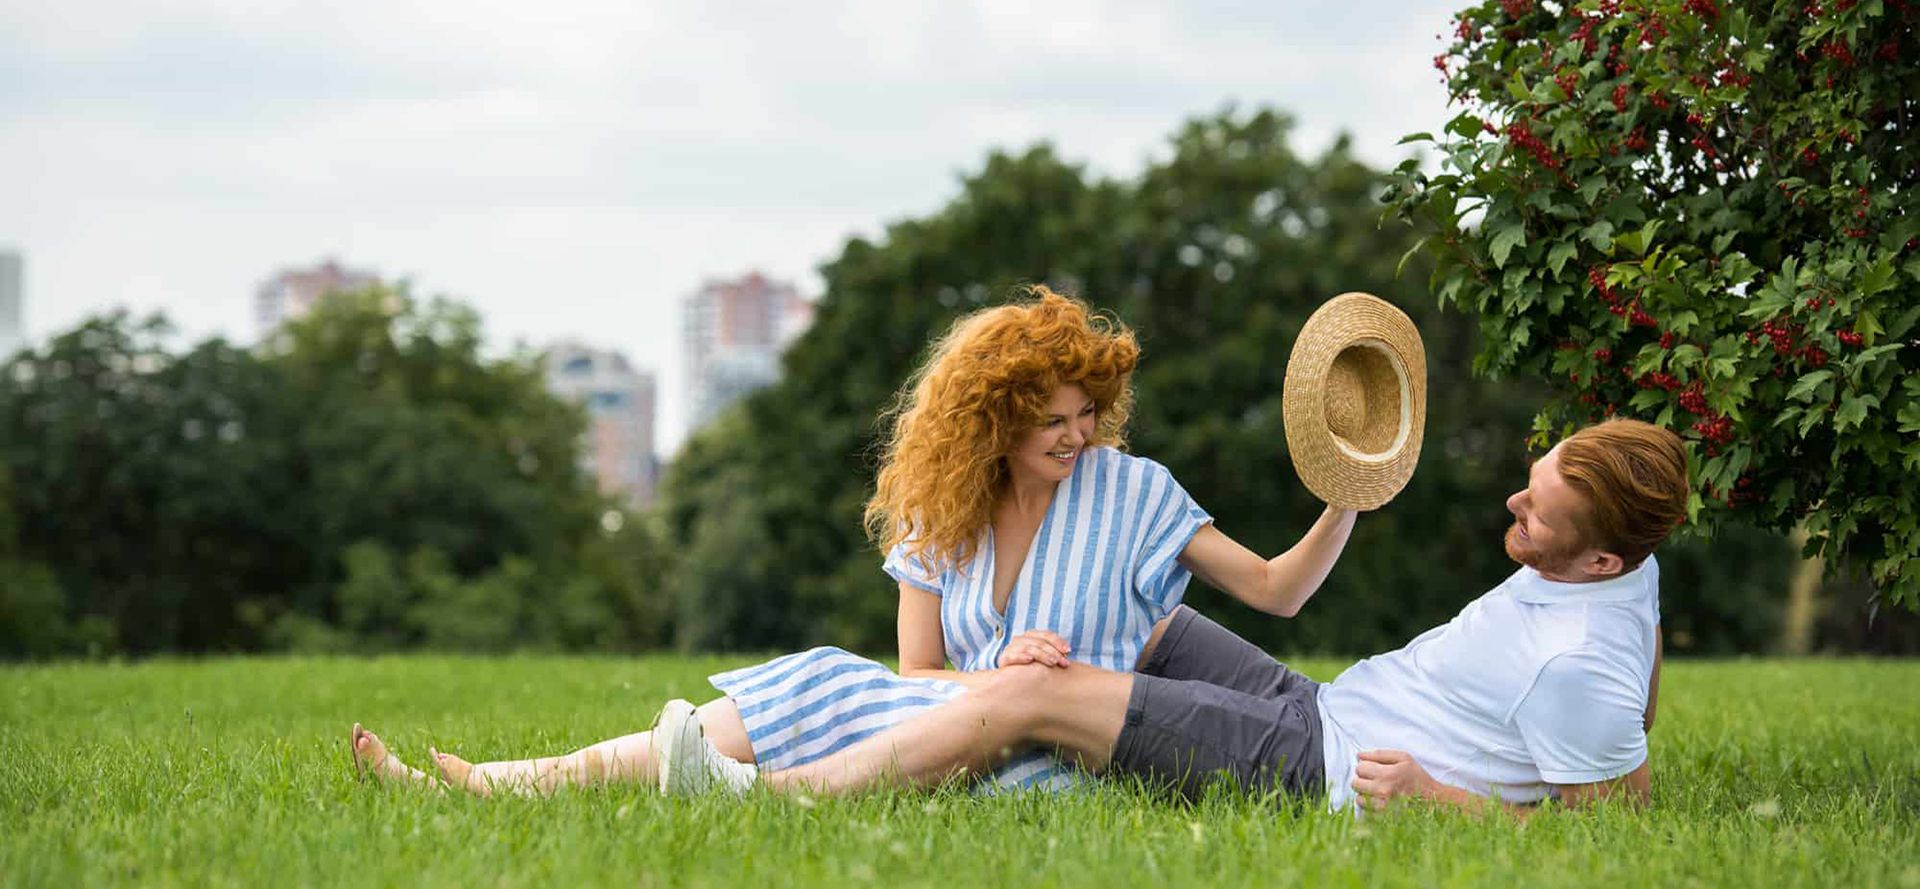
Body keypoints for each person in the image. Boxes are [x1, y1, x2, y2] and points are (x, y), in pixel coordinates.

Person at [349, 287, 1361, 795]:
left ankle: (632, 783)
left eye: (1088, 413)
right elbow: (921, 670)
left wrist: (1345, 499)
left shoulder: (1133, 494)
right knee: (830, 684)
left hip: (1054, 746)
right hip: (947, 725)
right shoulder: (940, 514)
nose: (1078, 434)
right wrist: (996, 668)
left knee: (826, 684)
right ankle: (501, 782)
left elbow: (1275, 591)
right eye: (1054, 419)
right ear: (995, 417)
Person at [664, 419, 1682, 814]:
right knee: (1131, 629)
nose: (1514, 501)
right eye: (1531, 476)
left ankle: (785, 799)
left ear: (1592, 553)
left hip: (1321, 769)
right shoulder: (1617, 581)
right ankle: (953, 713)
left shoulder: (1574, 662)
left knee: (1037, 691)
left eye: (1536, 508)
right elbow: (1636, 656)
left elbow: (1607, 830)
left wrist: (1432, 796)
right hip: (1325, 707)